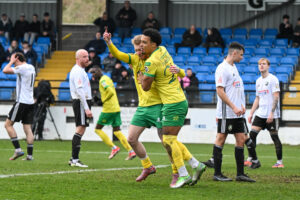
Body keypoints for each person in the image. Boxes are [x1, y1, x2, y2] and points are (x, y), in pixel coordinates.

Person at [103, 32, 192, 186]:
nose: (138, 52)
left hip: (158, 105)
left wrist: (180, 71)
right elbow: (117, 54)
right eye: (136, 50)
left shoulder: (153, 61)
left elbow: (171, 72)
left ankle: (176, 172)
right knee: (131, 138)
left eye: (140, 49)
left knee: (166, 142)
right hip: (142, 107)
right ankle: (148, 166)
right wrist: (109, 42)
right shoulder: (135, 59)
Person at [141, 28, 206, 188]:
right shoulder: (163, 50)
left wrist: (141, 77)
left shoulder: (151, 62)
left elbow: (146, 88)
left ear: (153, 44)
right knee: (171, 139)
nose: (141, 45)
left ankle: (183, 175)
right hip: (177, 100)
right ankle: (195, 164)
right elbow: (176, 71)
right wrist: (182, 71)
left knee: (168, 140)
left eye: (144, 42)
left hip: (173, 103)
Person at [210, 42, 255, 182]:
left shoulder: (234, 67)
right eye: (241, 55)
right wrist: (233, 107)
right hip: (226, 113)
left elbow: (236, 89)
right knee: (221, 138)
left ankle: (240, 174)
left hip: (237, 113)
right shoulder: (222, 68)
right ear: (234, 53)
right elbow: (220, 91)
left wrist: (241, 105)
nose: (242, 58)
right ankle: (217, 174)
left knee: (241, 139)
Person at [244, 58, 283, 169]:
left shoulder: (273, 79)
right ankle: (251, 158)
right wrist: (251, 113)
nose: (261, 66)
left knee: (274, 137)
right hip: (260, 114)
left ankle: (279, 162)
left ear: (268, 66)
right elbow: (257, 98)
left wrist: (271, 113)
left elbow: (276, 96)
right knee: (252, 135)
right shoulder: (258, 81)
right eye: (259, 64)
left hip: (272, 115)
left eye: (264, 64)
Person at [89, 67, 136, 160]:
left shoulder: (102, 80)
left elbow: (110, 92)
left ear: (97, 73)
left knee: (97, 129)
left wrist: (102, 100)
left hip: (109, 109)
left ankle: (114, 148)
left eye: (93, 74)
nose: (92, 76)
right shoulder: (107, 78)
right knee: (117, 131)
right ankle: (131, 151)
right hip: (116, 107)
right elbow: (111, 90)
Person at [3, 52, 36, 161]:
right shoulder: (31, 67)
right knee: (28, 128)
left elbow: (5, 70)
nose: (12, 62)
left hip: (22, 101)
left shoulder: (21, 68)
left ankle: (17, 150)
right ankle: (30, 156)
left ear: (17, 58)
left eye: (13, 59)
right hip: (30, 102)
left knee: (8, 125)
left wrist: (11, 62)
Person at [68, 49, 93, 168]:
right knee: (80, 129)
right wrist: (86, 108)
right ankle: (75, 159)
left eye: (87, 56)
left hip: (82, 101)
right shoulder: (77, 71)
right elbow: (79, 90)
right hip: (80, 102)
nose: (87, 58)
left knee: (81, 129)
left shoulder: (81, 70)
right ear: (77, 58)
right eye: (84, 56)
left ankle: (73, 158)